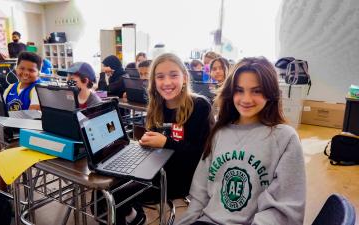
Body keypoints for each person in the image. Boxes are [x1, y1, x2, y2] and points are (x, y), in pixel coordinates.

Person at [177, 57, 306, 225]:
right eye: (239, 90)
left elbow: (285, 208)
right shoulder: (219, 132)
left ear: (271, 93)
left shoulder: (285, 137)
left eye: (256, 91)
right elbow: (200, 192)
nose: (246, 99)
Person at [112, 53, 214, 225]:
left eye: (174, 75)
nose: (167, 82)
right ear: (154, 81)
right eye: (160, 77)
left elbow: (199, 154)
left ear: (185, 77)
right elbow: (156, 146)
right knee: (105, 188)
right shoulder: (156, 106)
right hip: (155, 168)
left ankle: (133, 215)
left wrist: (165, 142)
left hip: (182, 177)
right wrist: (147, 142)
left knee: (115, 193)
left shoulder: (199, 106)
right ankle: (133, 215)